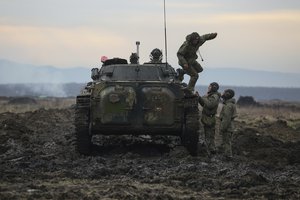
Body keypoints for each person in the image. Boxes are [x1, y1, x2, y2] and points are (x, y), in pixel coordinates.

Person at [196, 82, 221, 154]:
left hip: (209, 118)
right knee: (208, 134)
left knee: (209, 135)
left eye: (209, 86)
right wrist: (199, 97)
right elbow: (204, 104)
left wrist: (203, 97)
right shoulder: (211, 95)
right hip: (207, 118)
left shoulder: (214, 96)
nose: (208, 88)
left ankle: (210, 150)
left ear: (213, 88)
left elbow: (210, 105)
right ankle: (211, 149)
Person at [219, 89, 237, 158]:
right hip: (230, 127)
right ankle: (228, 156)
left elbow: (226, 119)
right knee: (227, 142)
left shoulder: (228, 106)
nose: (222, 94)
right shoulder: (230, 104)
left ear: (227, 94)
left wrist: (222, 128)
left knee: (226, 143)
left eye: (224, 92)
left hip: (227, 128)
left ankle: (228, 156)